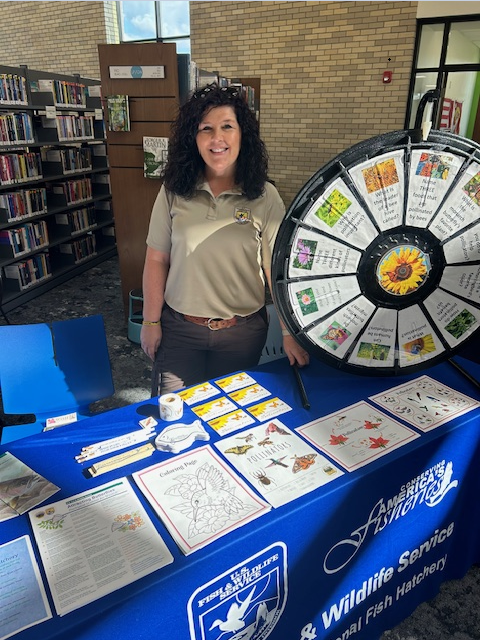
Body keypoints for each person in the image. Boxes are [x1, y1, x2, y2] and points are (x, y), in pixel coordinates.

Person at [141, 83, 309, 396]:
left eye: (227, 127)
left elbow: (277, 271)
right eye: (206, 129)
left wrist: (289, 331)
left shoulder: (265, 196)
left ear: (242, 135)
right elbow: (156, 259)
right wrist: (150, 323)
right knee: (172, 420)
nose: (217, 139)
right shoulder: (173, 191)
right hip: (180, 333)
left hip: (241, 335)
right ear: (194, 139)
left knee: (230, 420)